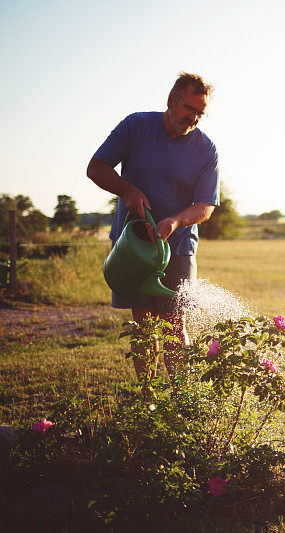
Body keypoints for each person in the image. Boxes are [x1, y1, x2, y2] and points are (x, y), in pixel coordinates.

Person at [87, 72, 220, 383]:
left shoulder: (207, 149)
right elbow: (96, 168)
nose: (195, 118)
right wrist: (128, 191)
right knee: (144, 325)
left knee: (176, 323)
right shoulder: (136, 126)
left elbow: (206, 206)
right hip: (132, 246)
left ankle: (180, 402)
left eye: (201, 112)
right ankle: (148, 402)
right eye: (190, 109)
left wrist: (175, 220)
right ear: (172, 100)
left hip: (178, 246)